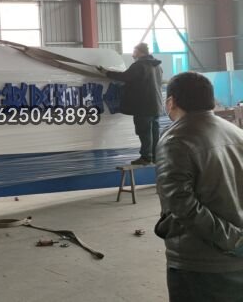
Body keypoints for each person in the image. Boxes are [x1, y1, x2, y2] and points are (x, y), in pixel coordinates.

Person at [154, 72, 243, 301]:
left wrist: (233, 240)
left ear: (171, 102)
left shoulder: (175, 139)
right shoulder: (236, 132)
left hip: (200, 264)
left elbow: (181, 206)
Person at [97, 42, 163, 165]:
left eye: (134, 51)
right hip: (156, 105)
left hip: (143, 106)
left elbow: (125, 77)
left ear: (139, 51)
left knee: (144, 132)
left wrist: (106, 73)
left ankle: (145, 157)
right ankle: (155, 157)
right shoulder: (157, 66)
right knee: (154, 132)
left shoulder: (139, 65)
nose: (133, 54)